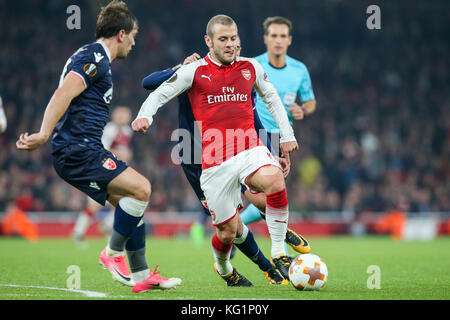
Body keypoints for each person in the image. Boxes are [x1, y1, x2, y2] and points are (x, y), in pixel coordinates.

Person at [16, 0, 180, 293]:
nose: (134, 41)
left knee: (130, 208)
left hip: (81, 148)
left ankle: (142, 275)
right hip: (77, 148)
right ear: (121, 33)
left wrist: (179, 68)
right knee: (142, 189)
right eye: (133, 35)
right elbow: (64, 92)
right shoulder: (94, 57)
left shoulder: (93, 56)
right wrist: (43, 133)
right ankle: (112, 254)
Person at [133, 14, 298, 282]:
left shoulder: (250, 67)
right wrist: (145, 116)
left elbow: (272, 98)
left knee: (274, 178)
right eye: (223, 39)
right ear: (209, 41)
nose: (230, 44)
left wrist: (286, 136)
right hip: (214, 164)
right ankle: (223, 267)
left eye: (234, 38)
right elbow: (158, 92)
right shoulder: (194, 71)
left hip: (248, 150)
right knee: (227, 232)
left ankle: (279, 252)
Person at [240, 16, 316, 255]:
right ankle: (280, 256)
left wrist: (303, 109)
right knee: (275, 196)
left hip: (284, 139)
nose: (278, 40)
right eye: (273, 35)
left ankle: (236, 228)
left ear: (289, 40)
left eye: (283, 36)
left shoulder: (299, 70)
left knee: (272, 196)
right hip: (258, 136)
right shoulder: (253, 66)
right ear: (266, 39)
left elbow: (311, 102)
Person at [72, 106, 134, 246]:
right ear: (114, 116)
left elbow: (124, 152)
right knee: (95, 205)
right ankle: (80, 232)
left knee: (123, 201)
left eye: (126, 115)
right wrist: (118, 153)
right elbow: (101, 149)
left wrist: (127, 155)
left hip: (114, 172)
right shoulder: (109, 129)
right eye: (120, 114)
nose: (123, 117)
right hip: (99, 170)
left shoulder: (127, 131)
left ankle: (106, 226)